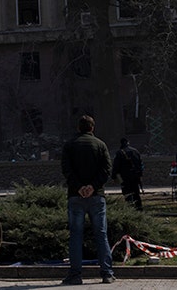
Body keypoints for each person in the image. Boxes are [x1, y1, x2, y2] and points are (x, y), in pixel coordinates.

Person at [60, 115, 114, 285]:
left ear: (78, 128)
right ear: (93, 128)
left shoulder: (69, 146)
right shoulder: (100, 145)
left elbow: (66, 169)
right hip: (97, 196)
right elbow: (107, 169)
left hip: (75, 196)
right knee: (101, 234)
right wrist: (93, 186)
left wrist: (79, 187)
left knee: (76, 235)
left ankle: (75, 275)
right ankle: (107, 273)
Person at [111, 137, 144, 210]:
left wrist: (113, 177)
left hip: (125, 177)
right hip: (135, 176)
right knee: (136, 194)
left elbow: (116, 166)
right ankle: (139, 209)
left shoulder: (120, 153)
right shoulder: (135, 151)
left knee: (127, 194)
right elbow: (140, 164)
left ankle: (129, 209)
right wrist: (140, 175)